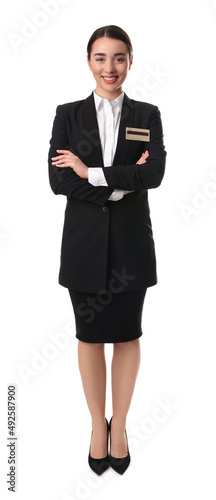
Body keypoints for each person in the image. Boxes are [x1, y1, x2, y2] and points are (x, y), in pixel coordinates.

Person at [48, 25, 166, 475]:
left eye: (118, 58)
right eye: (100, 58)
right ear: (89, 62)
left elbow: (152, 174)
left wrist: (92, 174)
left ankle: (122, 428)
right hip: (84, 246)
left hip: (132, 245)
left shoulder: (148, 114)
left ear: (131, 61)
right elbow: (59, 180)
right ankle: (99, 425)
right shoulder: (67, 114)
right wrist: (120, 182)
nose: (109, 67)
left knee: (128, 333)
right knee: (89, 335)